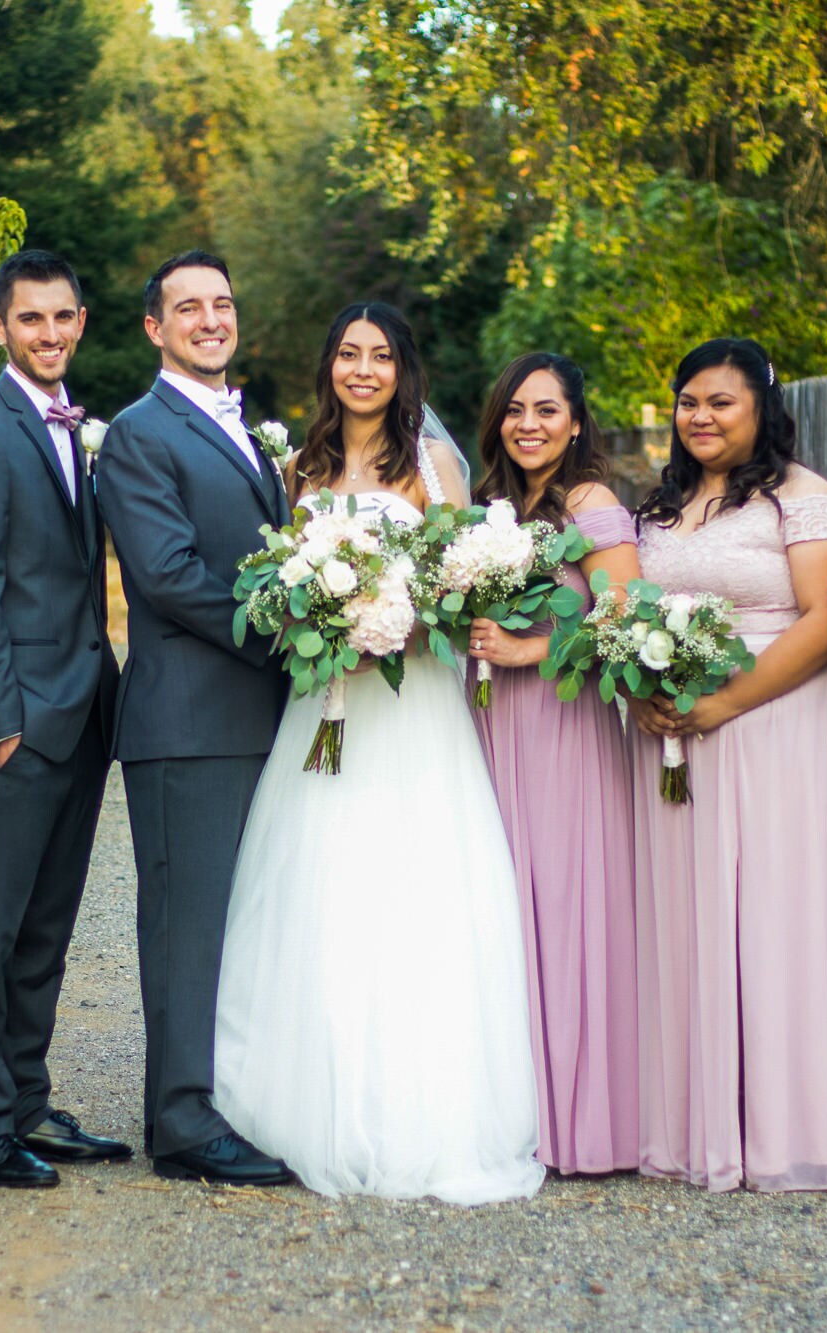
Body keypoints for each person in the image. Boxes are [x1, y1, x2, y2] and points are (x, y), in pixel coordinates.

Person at [212, 302, 545, 1205]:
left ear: (404, 370)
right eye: (350, 355)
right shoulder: (300, 468)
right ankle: (303, 1096)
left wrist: (393, 623)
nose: (365, 370)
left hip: (413, 706)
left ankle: (421, 1103)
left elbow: (458, 580)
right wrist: (320, 622)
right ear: (329, 367)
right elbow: (279, 574)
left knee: (413, 881)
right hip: (325, 701)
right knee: (319, 878)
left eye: (382, 356)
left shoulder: (435, 466)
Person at [628, 337, 827, 1192]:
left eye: (720, 401)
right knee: (690, 919)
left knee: (774, 915)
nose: (700, 416)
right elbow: (630, 610)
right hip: (672, 736)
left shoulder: (803, 497)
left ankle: (783, 1127)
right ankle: (697, 1122)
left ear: (761, 405)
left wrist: (725, 703)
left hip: (774, 727)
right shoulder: (661, 505)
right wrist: (640, 692)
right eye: (689, 401)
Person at [93, 251, 295, 1186]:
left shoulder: (245, 427)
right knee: (186, 923)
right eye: (188, 307)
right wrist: (291, 635)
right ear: (154, 328)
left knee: (244, 920)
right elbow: (169, 578)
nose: (210, 318)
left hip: (254, 720)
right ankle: (178, 1120)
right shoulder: (138, 434)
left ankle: (231, 1095)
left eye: (222, 301)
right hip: (187, 722)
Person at [0, 250, 128, 1189]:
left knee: (46, 927)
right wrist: (2, 722)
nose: (49, 334)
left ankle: (25, 1101)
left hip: (81, 716)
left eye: (63, 317)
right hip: (14, 725)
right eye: (30, 319)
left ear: (81, 321)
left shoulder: (77, 429)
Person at [465, 353, 641, 1175]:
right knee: (505, 906)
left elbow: (623, 619)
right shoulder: (492, 506)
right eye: (514, 410)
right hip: (495, 725)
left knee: (565, 906)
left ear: (576, 423)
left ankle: (583, 1118)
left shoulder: (590, 501)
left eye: (546, 410)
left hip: (564, 719)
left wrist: (527, 648)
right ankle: (516, 1103)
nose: (528, 424)